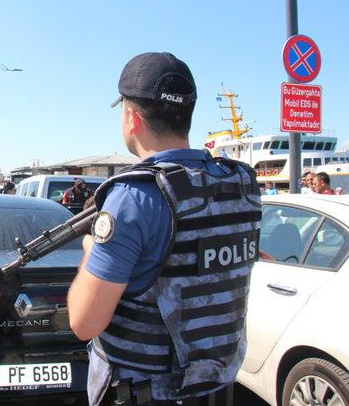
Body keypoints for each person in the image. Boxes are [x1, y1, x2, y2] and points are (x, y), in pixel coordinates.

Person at [66, 52, 261, 405]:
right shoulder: (240, 183)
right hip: (217, 388)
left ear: (132, 117)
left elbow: (84, 323)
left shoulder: (135, 197)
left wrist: (90, 251)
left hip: (148, 392)